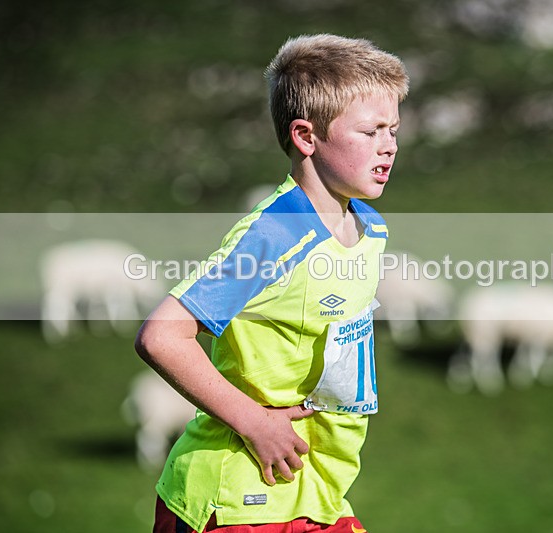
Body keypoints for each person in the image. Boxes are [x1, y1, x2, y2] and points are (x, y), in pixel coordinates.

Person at [135, 33, 408, 533]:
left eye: (393, 128)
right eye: (371, 131)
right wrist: (256, 422)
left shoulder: (371, 228)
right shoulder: (273, 235)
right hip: (240, 495)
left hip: (316, 487)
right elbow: (162, 335)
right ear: (306, 137)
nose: (389, 145)